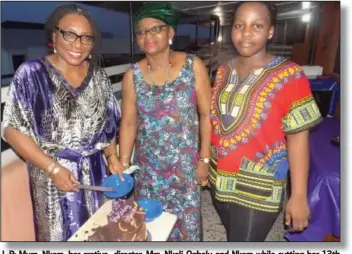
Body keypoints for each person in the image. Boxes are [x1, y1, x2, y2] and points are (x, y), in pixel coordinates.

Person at [2, 4, 121, 241]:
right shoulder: (31, 73)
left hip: (97, 173)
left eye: (86, 38)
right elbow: (12, 129)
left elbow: (109, 126)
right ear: (54, 36)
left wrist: (113, 158)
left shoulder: (98, 76)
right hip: (52, 177)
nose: (78, 44)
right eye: (70, 34)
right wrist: (52, 168)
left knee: (101, 233)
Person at [208, 2, 322, 241]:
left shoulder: (290, 75)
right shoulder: (223, 71)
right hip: (219, 177)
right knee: (233, 236)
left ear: (270, 31)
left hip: (260, 184)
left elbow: (298, 137)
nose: (246, 33)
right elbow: (215, 122)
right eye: (239, 25)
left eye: (257, 26)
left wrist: (299, 195)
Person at [117, 2, 212, 241]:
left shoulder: (193, 66)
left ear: (170, 33)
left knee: (187, 227)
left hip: (185, 168)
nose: (147, 36)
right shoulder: (133, 75)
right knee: (152, 229)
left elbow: (206, 115)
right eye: (141, 31)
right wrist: (124, 165)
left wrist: (204, 158)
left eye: (155, 29)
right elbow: (128, 123)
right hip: (148, 172)